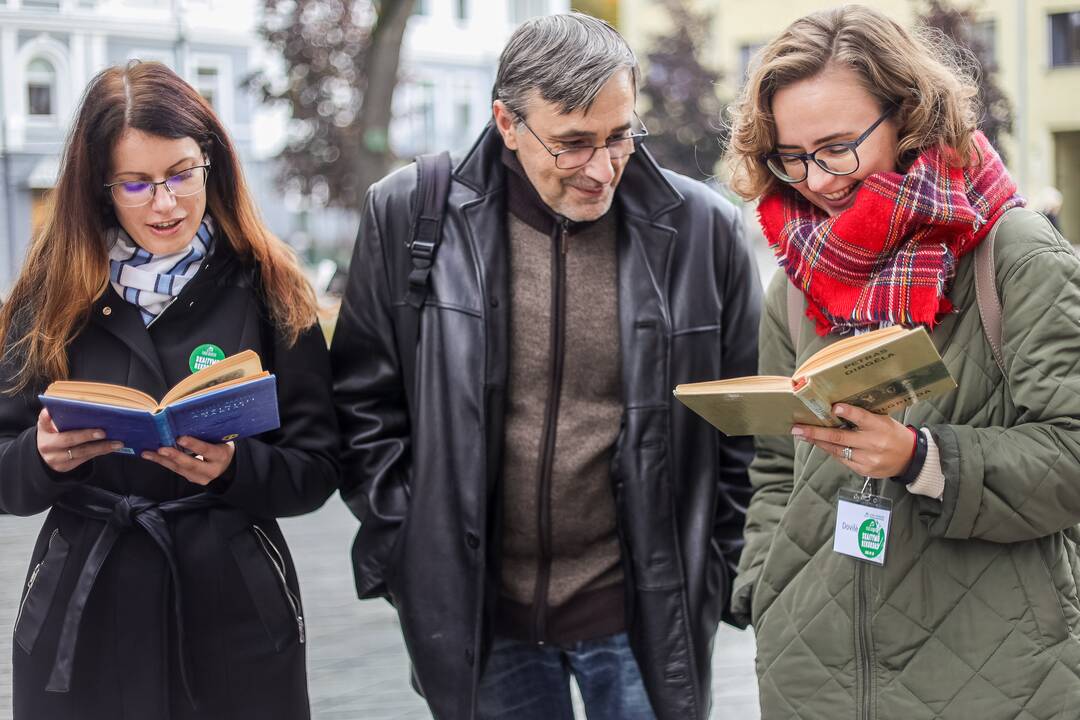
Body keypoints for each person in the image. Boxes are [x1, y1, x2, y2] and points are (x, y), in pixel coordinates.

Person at [331, 12, 761, 720]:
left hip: (645, 615)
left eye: (620, 136)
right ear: (507, 122)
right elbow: (362, 404)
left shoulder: (704, 231)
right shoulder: (409, 213)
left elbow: (747, 425)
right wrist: (410, 547)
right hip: (481, 618)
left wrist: (711, 571)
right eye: (572, 144)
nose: (602, 168)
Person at [726, 6, 1080, 718]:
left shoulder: (1015, 257)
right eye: (790, 157)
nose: (816, 181)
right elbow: (771, 468)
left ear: (909, 116)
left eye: (835, 148)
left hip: (997, 677)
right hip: (813, 674)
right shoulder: (797, 274)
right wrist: (768, 582)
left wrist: (923, 459)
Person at [0, 61, 339, 719]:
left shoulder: (270, 284)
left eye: (183, 173)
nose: (166, 202)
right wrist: (39, 460)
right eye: (136, 183)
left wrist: (237, 468)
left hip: (234, 613)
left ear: (210, 160)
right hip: (86, 610)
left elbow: (320, 467)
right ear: (100, 189)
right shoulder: (48, 298)